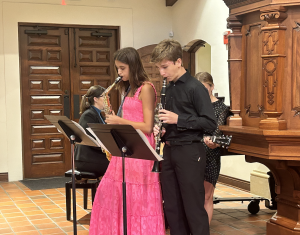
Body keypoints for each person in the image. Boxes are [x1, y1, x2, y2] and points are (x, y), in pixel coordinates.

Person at [89, 47, 165, 235]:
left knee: (138, 198)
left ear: (133, 66)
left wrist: (119, 121)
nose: (119, 73)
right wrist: (116, 119)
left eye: (122, 68)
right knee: (114, 194)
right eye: (117, 69)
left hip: (140, 148)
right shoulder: (128, 88)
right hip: (125, 146)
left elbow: (147, 126)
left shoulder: (146, 88)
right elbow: (131, 118)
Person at [151, 39, 217, 235]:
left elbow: (210, 123)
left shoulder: (195, 87)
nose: (162, 73)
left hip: (190, 151)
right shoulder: (169, 87)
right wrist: (161, 130)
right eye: (159, 68)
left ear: (178, 61)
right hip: (170, 150)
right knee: (172, 205)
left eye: (165, 67)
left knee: (192, 206)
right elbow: (169, 120)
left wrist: (178, 119)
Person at [195, 72, 230, 224]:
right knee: (193, 196)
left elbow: (217, 133)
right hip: (192, 154)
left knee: (207, 196)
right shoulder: (193, 106)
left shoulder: (221, 108)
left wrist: (213, 142)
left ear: (212, 86)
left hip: (210, 156)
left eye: (205, 88)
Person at [74, 85, 109, 178]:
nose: (107, 99)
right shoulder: (88, 115)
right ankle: (108, 191)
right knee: (118, 166)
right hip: (87, 159)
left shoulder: (99, 115)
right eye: (105, 96)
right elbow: (90, 139)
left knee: (121, 163)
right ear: (95, 99)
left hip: (95, 155)